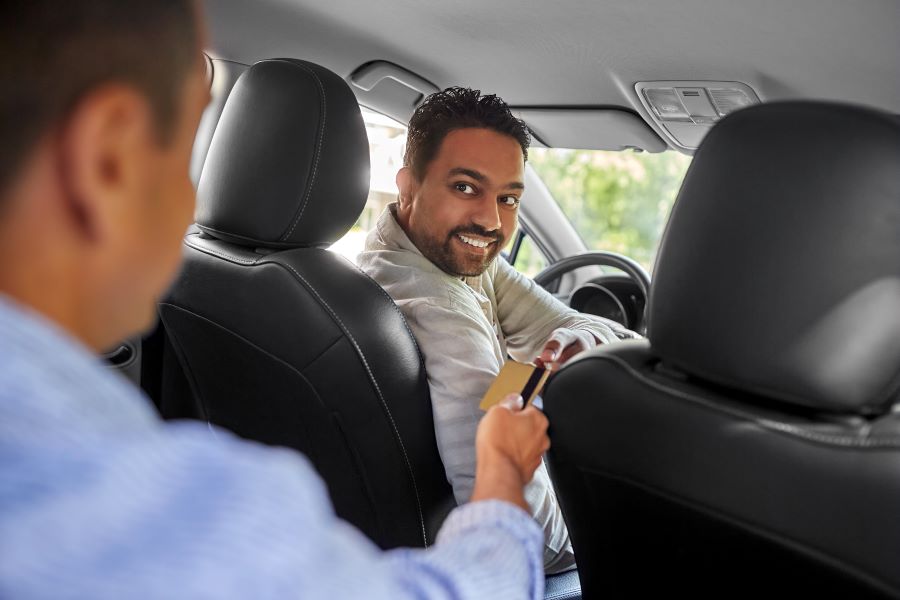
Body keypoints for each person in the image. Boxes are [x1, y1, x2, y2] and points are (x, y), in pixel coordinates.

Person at [0, 3, 552, 598]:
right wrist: (503, 468)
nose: (194, 200)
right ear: (106, 157)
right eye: (180, 149)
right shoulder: (138, 502)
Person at [358, 87, 638, 573]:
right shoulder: (438, 306)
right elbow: (524, 530)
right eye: (465, 187)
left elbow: (576, 324)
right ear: (408, 186)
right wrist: (606, 533)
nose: (490, 221)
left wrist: (582, 341)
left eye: (508, 198)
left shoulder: (454, 257)